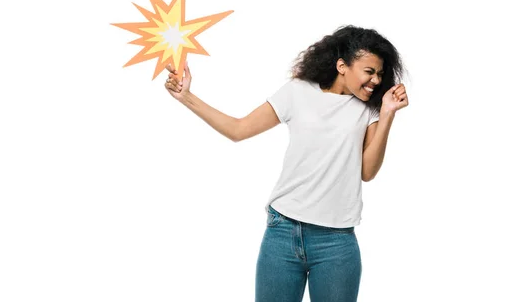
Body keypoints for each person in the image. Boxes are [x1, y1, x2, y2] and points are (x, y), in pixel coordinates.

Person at [164, 25, 408, 302]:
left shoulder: (370, 108)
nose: (376, 80)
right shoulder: (298, 92)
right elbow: (238, 129)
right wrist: (186, 97)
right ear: (342, 66)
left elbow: (367, 171)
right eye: (369, 71)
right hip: (283, 232)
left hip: (337, 242)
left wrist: (388, 114)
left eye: (379, 73)